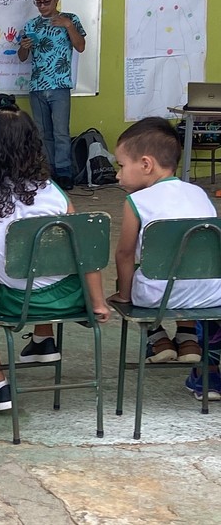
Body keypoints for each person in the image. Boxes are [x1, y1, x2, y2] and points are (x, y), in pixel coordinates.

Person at [0, 96, 110, 412]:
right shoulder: (52, 189)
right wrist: (97, 302)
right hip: (70, 295)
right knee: (44, 265)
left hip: (18, 299)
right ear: (31, 146)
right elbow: (85, 249)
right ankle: (43, 339)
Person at [107, 117, 221, 398]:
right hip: (210, 295)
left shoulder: (137, 202)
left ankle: (157, 339)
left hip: (157, 298)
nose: (118, 175)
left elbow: (123, 253)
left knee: (134, 271)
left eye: (121, 166)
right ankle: (188, 340)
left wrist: (123, 294)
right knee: (180, 267)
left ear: (146, 164)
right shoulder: (199, 193)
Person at [18, 0, 87, 191]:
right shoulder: (31, 25)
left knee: (60, 132)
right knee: (41, 132)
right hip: (37, 85)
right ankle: (47, 171)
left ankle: (65, 172)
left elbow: (81, 46)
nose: (42, 6)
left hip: (60, 85)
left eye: (46, 2)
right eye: (38, 3)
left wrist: (67, 25)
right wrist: (24, 47)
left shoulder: (71, 19)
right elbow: (22, 57)